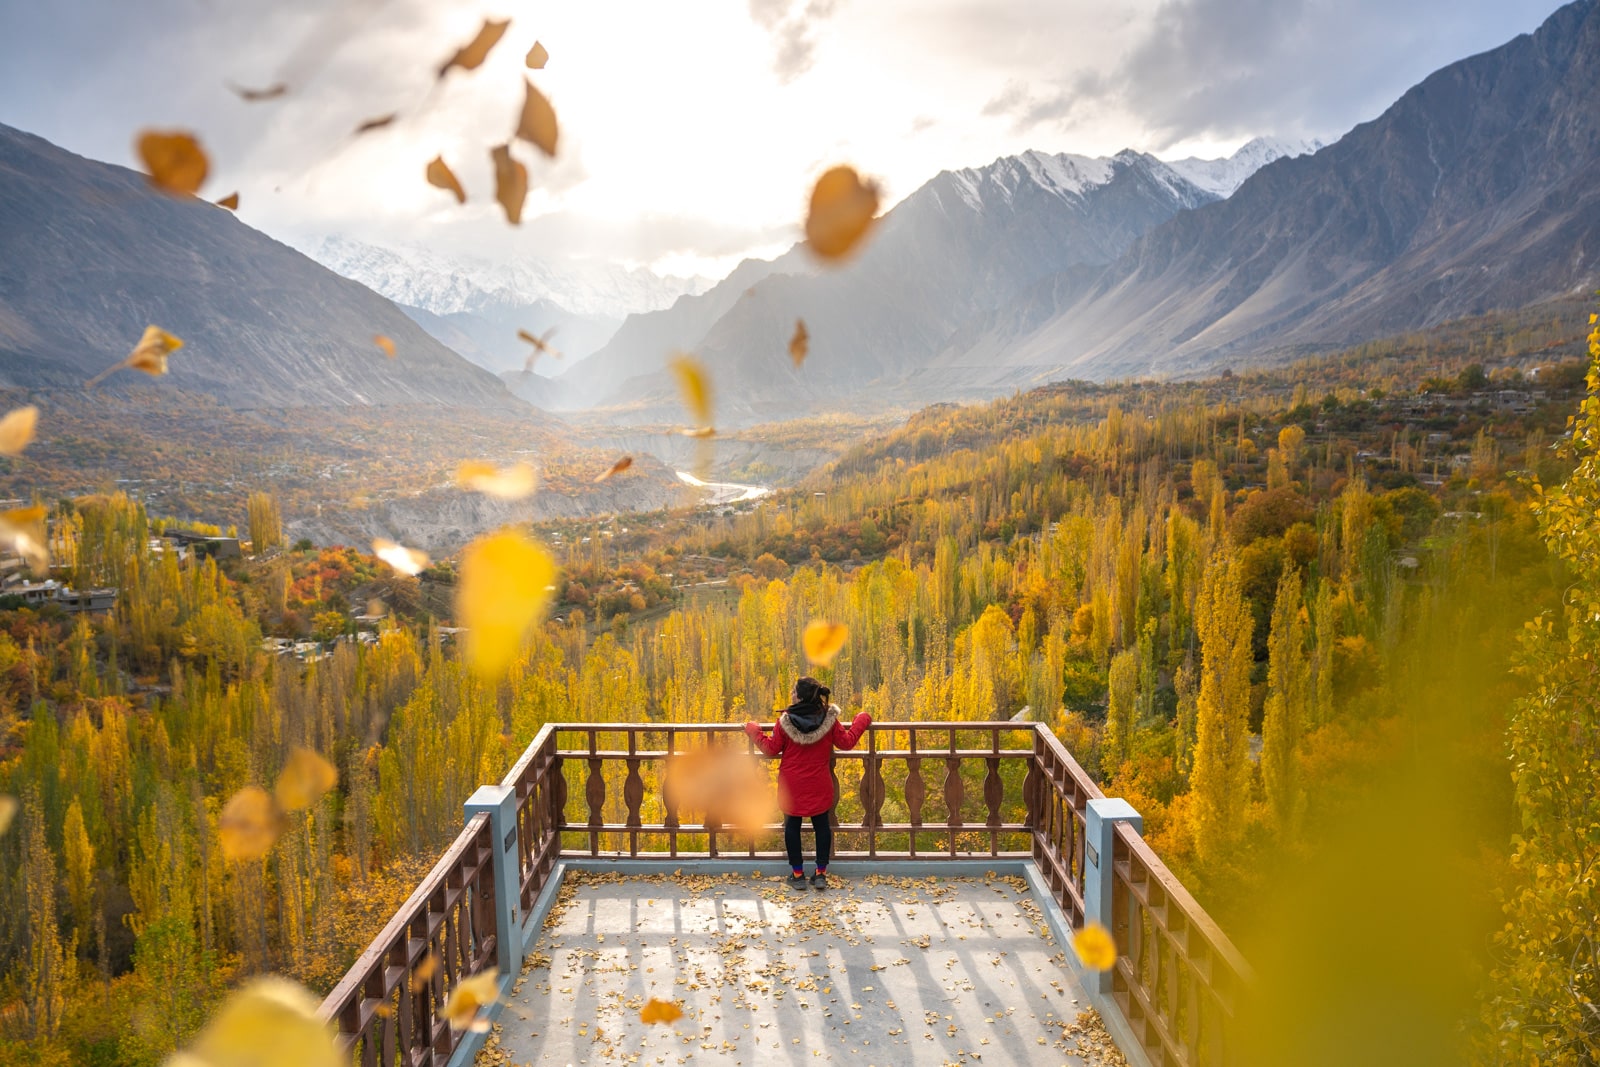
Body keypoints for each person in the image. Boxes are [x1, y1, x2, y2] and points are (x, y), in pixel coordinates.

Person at [745, 676, 871, 890]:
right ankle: (820, 873)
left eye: (794, 691)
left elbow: (771, 748)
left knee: (791, 826)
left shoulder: (785, 721)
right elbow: (847, 742)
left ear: (800, 696)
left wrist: (753, 729)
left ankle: (797, 875)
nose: (791, 694)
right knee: (822, 825)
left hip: (792, 785)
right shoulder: (829, 719)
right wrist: (862, 719)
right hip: (818, 782)